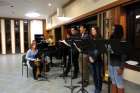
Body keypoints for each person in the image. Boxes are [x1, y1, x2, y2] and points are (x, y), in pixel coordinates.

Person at [109, 25, 127, 93]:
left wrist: (121, 67)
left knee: (119, 84)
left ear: (118, 31)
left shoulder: (122, 40)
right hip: (111, 64)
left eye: (113, 29)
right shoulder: (112, 38)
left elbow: (124, 55)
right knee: (113, 83)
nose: (112, 31)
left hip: (118, 65)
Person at [88, 26, 103, 93]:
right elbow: (88, 49)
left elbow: (99, 50)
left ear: (97, 30)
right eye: (92, 30)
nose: (92, 31)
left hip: (98, 60)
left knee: (98, 75)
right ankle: (96, 87)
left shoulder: (100, 39)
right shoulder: (91, 38)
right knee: (93, 75)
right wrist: (90, 57)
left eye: (94, 30)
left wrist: (93, 58)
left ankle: (99, 89)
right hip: (91, 59)